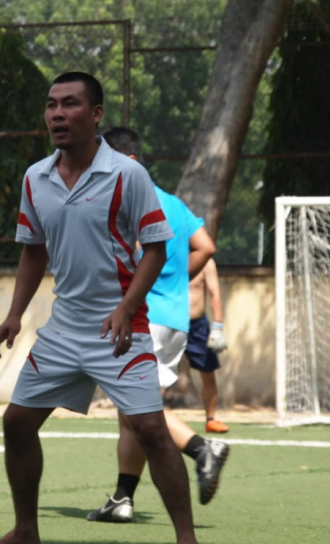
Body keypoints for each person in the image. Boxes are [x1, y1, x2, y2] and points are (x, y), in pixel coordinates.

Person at [0, 72, 198, 544]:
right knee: (16, 424)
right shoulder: (35, 177)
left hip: (120, 328)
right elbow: (33, 251)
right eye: (51, 105)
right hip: (64, 329)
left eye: (70, 104)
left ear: (96, 113)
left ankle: (187, 537)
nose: (58, 114)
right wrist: (14, 314)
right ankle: (25, 530)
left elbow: (156, 250)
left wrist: (126, 307)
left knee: (150, 430)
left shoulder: (127, 173)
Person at [87, 127, 228, 524]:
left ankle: (202, 450)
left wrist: (145, 285)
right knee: (130, 412)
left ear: (127, 161)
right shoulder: (172, 201)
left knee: (138, 408)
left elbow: (125, 256)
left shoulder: (129, 199)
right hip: (175, 320)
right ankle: (122, 499)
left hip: (143, 317)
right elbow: (207, 246)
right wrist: (173, 277)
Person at [187, 258, 230, 433]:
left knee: (208, 374)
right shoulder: (165, 254)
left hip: (197, 326)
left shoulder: (205, 262)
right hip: (168, 323)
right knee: (158, 375)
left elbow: (215, 294)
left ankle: (211, 420)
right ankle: (153, 419)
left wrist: (218, 327)